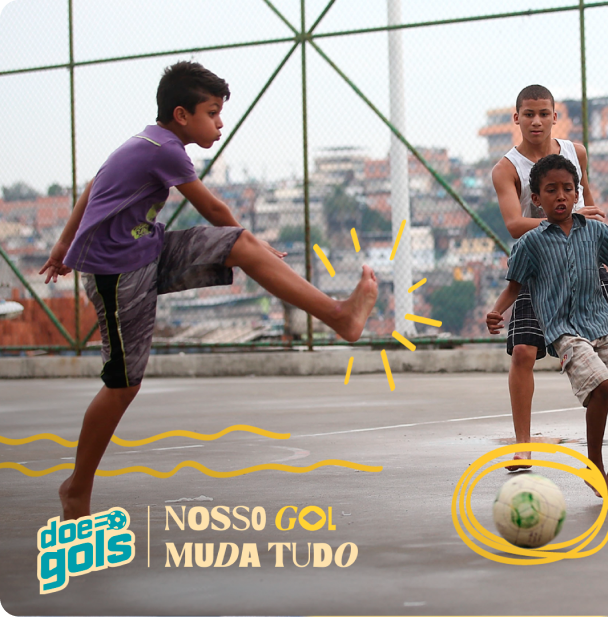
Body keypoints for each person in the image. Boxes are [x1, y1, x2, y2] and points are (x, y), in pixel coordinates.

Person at [39, 61, 379, 520]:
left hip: (147, 248)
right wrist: (68, 246)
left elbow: (94, 186)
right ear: (182, 115)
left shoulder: (147, 141)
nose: (220, 123)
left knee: (240, 243)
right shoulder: (166, 150)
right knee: (122, 386)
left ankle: (339, 316)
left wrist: (63, 245)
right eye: (213, 113)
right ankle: (77, 488)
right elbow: (211, 205)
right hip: (115, 274)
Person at [491, 84, 608, 470]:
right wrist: (570, 218)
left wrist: (586, 218)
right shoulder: (506, 168)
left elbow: (588, 200)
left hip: (583, 259)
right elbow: (515, 224)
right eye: (529, 114)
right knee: (522, 352)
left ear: (555, 117)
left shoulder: (575, 152)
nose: (537, 121)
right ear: (516, 119)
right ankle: (522, 445)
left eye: (544, 113)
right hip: (540, 264)